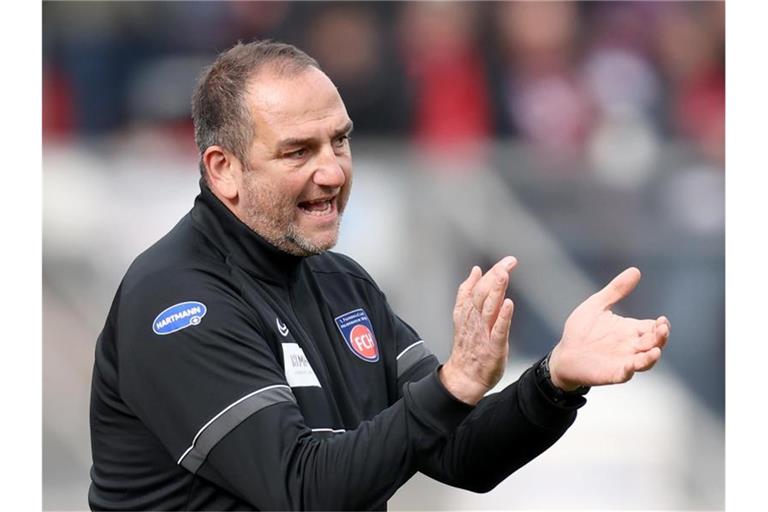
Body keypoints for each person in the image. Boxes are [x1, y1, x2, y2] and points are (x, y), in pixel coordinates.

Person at [88, 40, 670, 511]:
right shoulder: (176, 301)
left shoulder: (342, 283)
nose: (331, 171)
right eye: (298, 152)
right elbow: (304, 492)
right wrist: (455, 385)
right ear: (224, 170)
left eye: (339, 141)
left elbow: (459, 453)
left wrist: (554, 381)